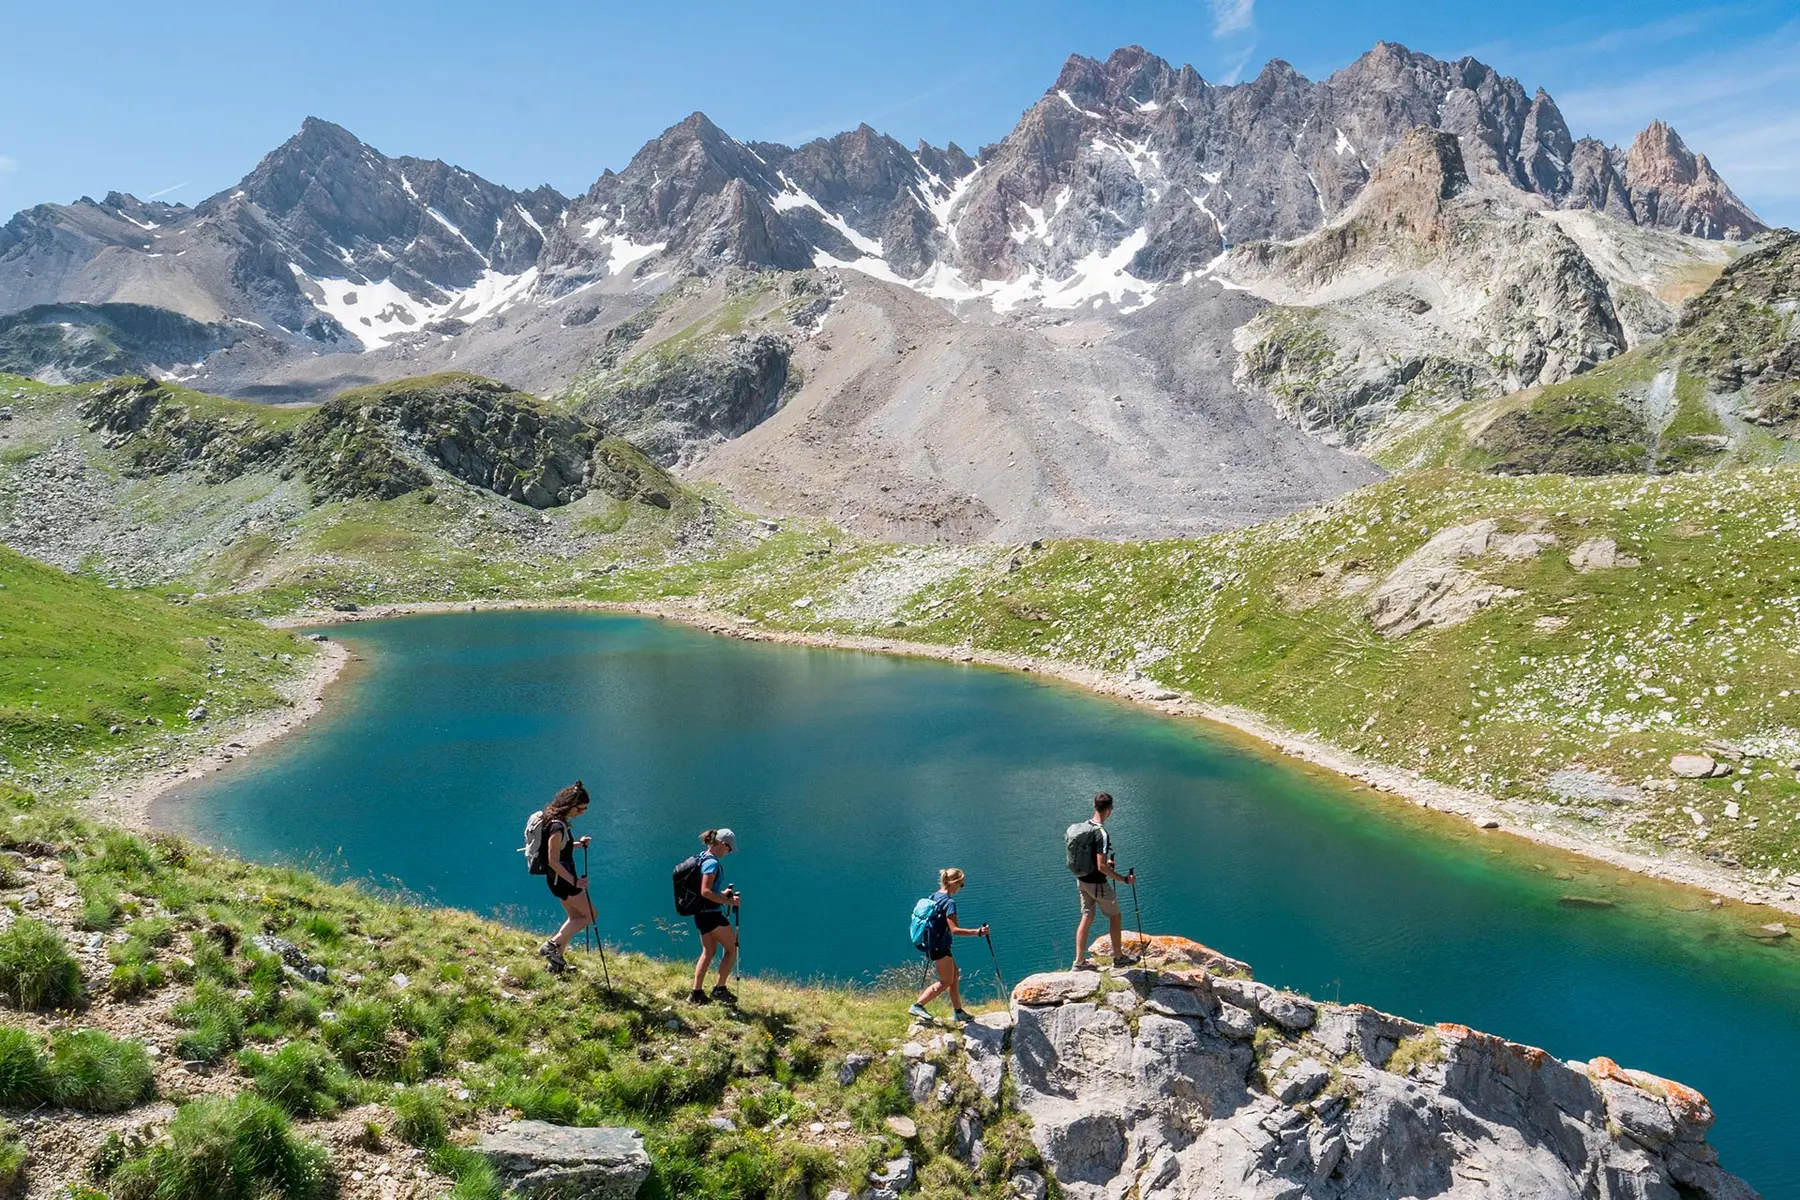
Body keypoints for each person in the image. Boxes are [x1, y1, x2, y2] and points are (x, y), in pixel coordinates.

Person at [909, 868, 988, 1024]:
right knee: (946, 981)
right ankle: (918, 1005)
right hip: (939, 946)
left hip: (934, 943)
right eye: (962, 884)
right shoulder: (949, 902)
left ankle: (958, 1012)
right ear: (955, 883)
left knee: (955, 975)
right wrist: (978, 932)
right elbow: (955, 930)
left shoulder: (934, 896)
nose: (961, 887)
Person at [1071, 792, 1136, 970]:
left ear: (1094, 806)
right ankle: (1118, 957)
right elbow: (1101, 867)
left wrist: (1106, 864)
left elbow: (1092, 858)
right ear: (1110, 810)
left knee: (1087, 916)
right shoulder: (1102, 834)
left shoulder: (1085, 827)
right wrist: (1124, 879)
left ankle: (1079, 962)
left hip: (1082, 880)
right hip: (1097, 883)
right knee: (1115, 916)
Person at [536, 781, 594, 974]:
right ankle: (551, 945)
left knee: (575, 917)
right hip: (564, 881)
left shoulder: (554, 821)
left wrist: (578, 844)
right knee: (590, 915)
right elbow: (553, 860)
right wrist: (575, 882)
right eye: (581, 808)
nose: (582, 812)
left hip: (558, 881)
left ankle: (556, 964)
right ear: (571, 805)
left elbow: (561, 849)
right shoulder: (557, 827)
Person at [688, 828, 740, 1005]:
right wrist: (729, 902)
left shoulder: (702, 857)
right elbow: (705, 891)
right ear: (723, 844)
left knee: (709, 951)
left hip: (701, 914)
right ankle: (719, 989)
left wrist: (723, 894)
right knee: (732, 948)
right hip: (711, 915)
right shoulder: (712, 863)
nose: (729, 852)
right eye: (729, 849)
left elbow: (709, 890)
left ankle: (696, 993)